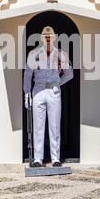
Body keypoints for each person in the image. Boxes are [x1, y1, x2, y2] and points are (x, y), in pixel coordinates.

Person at [23, 26, 74, 167]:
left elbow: (69, 73)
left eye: (50, 37)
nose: (47, 39)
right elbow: (28, 75)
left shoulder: (61, 55)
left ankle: (55, 158)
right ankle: (38, 158)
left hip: (53, 91)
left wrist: (58, 83)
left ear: (55, 38)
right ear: (41, 38)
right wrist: (27, 94)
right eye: (45, 37)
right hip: (38, 89)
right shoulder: (34, 54)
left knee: (54, 125)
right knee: (38, 126)